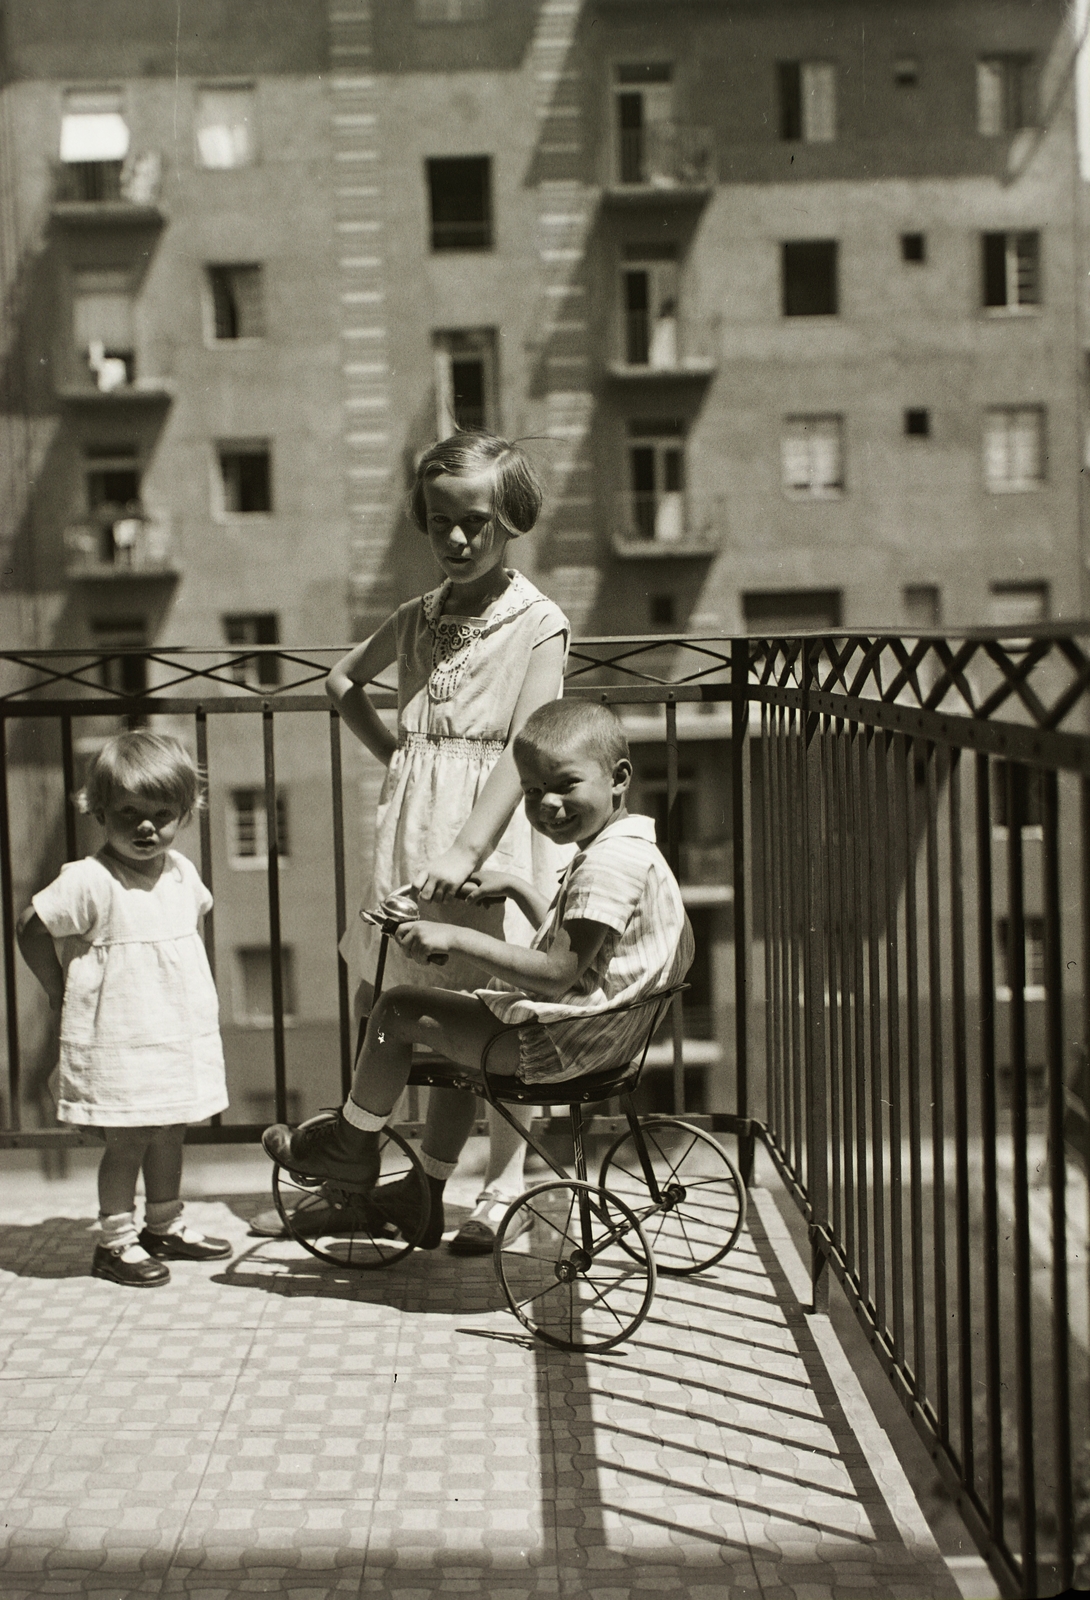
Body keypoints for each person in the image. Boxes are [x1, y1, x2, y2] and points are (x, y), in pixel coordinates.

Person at [261, 701, 694, 1222]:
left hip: (561, 1047)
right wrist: (514, 886)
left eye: (566, 785)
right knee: (453, 1028)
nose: (548, 804)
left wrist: (455, 937)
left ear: (619, 778)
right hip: (602, 1037)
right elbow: (570, 941)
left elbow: (557, 975)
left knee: (395, 1011)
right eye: (532, 791)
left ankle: (350, 1148)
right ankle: (423, 1192)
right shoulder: (631, 849)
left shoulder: (605, 867)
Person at [299, 429, 570, 1253]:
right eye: (438, 522)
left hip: (494, 839)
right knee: (427, 1010)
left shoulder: (538, 622)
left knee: (497, 1009)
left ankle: (503, 1185)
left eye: (475, 522)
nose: (455, 539)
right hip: (418, 835)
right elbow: (340, 683)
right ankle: (425, 1181)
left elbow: (528, 751)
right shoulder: (417, 615)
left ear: (510, 519)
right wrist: (404, 758)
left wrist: (465, 852)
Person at [16, 731, 231, 1288]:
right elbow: (29, 927)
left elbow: (188, 930)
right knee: (128, 1138)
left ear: (185, 813)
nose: (145, 827)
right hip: (120, 1037)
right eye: (129, 813)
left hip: (173, 1033)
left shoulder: (181, 872)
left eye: (161, 814)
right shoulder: (90, 880)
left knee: (170, 1130)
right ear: (99, 810)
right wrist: (59, 988)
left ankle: (164, 1223)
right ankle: (115, 1240)